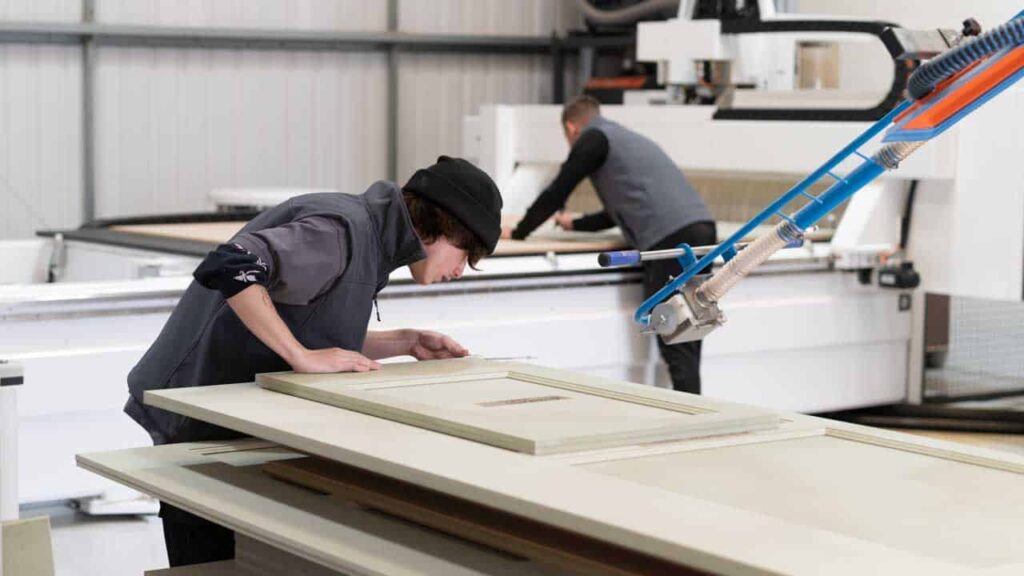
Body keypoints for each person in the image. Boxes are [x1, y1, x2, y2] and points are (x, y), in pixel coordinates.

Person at [124, 156, 502, 567]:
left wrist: (405, 342)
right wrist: (299, 357)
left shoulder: (373, 237)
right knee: (211, 559)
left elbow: (310, 325)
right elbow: (232, 265)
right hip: (199, 424)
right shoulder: (341, 231)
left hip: (233, 421)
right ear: (442, 225)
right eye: (465, 253)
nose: (461, 270)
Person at [502, 95, 715, 395]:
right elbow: (618, 212)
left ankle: (693, 421)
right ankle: (697, 412)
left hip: (671, 240)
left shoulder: (594, 139)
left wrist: (520, 231)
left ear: (571, 128)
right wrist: (574, 224)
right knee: (687, 336)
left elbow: (558, 189)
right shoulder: (623, 139)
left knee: (674, 334)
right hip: (701, 231)